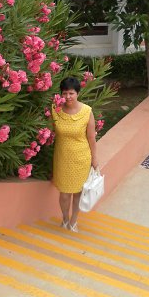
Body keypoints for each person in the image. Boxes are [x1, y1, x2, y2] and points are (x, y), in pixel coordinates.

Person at [51, 76, 98, 232]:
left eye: (71, 93)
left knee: (77, 193)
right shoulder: (55, 109)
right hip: (62, 158)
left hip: (81, 158)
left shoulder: (87, 112)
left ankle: (73, 221)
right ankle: (65, 219)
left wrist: (95, 159)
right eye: (64, 93)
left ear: (78, 93)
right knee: (64, 194)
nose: (68, 97)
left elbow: (91, 138)